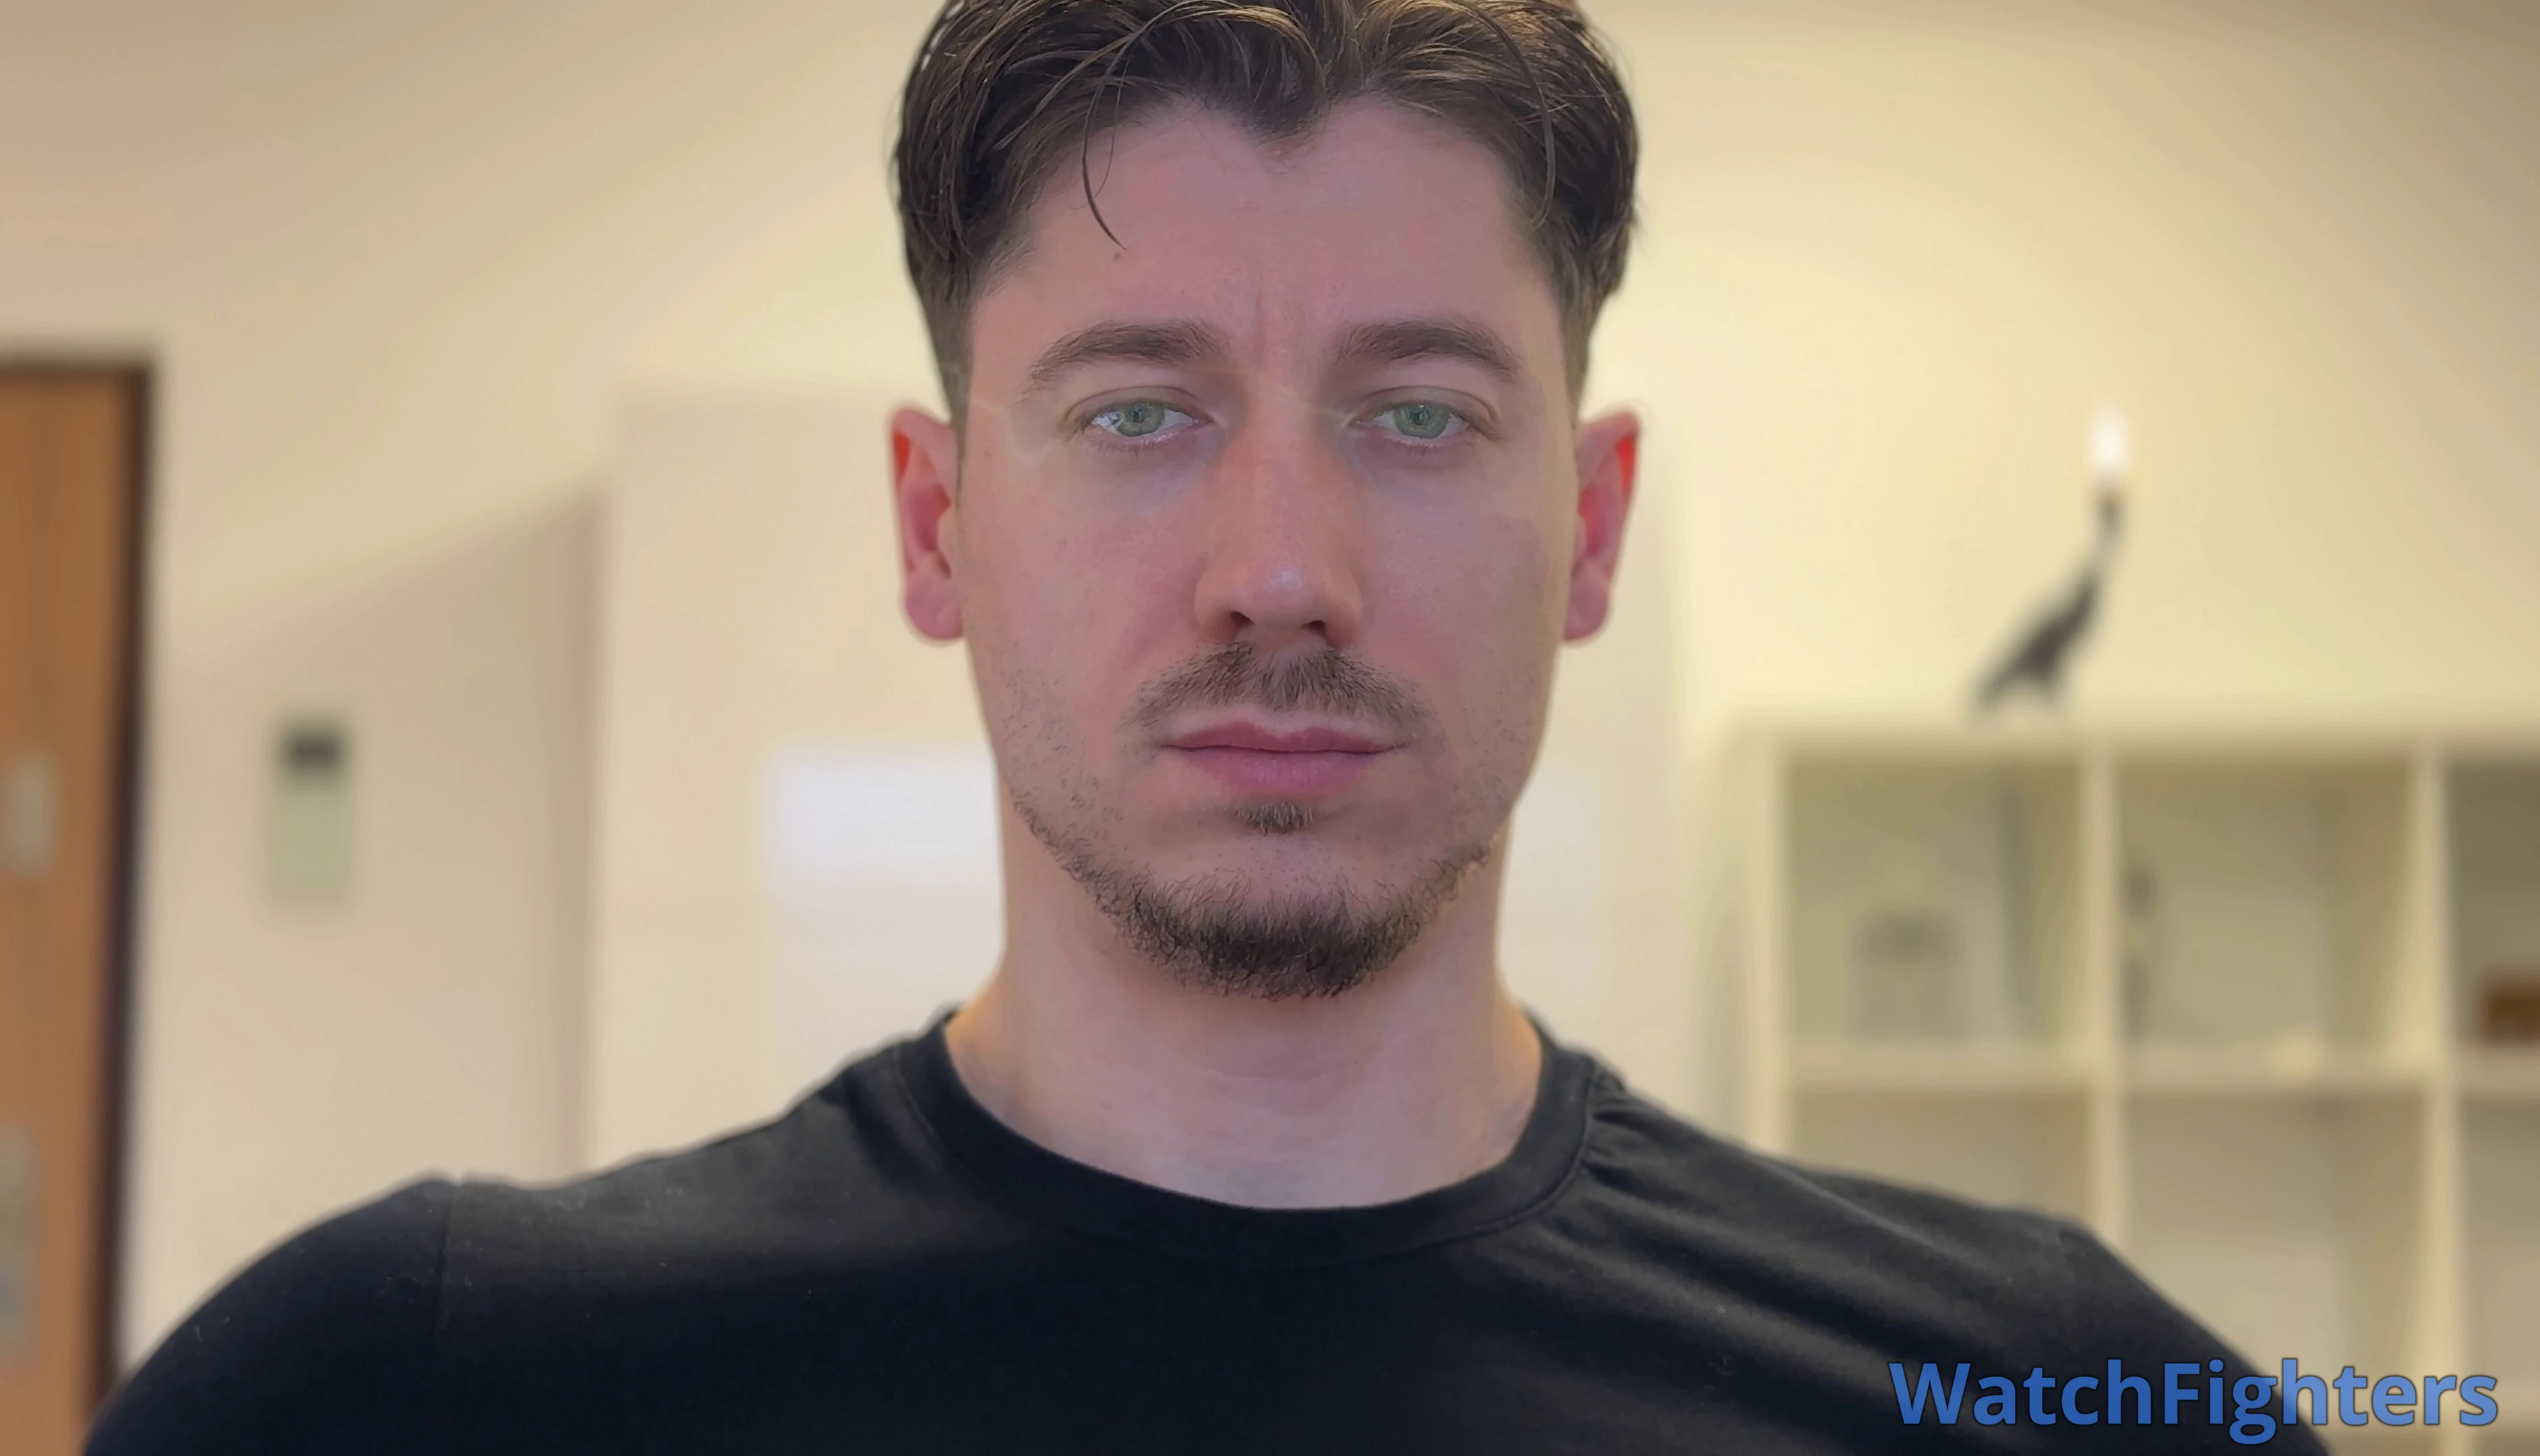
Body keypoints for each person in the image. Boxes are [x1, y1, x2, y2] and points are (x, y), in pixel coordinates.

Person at [92, 1, 2324, 1451]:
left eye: (1419, 413)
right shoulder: (416, 1392)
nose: (1280, 569)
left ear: (1592, 525)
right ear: (937, 522)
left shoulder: (2044, 1398)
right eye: (1139, 411)